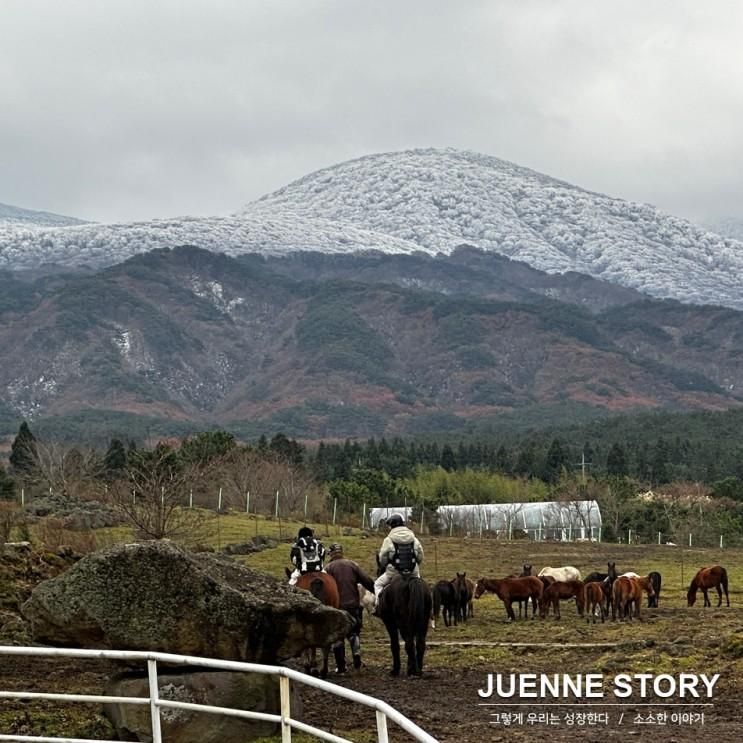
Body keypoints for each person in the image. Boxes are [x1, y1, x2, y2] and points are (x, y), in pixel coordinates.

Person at [324, 542, 375, 673]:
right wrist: (376, 591)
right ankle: (356, 653)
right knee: (354, 632)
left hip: (337, 606)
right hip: (353, 605)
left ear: (331, 554)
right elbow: (366, 581)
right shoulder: (352, 565)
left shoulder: (328, 568)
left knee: (338, 636)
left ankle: (341, 667)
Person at [373, 513, 424, 609]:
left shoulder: (388, 540)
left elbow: (382, 558)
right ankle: (429, 611)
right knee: (422, 587)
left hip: (394, 572)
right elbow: (420, 556)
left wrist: (384, 565)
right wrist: (416, 565)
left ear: (392, 525)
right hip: (413, 572)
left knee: (377, 584)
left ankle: (378, 606)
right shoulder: (414, 539)